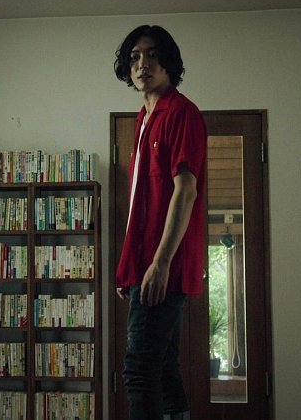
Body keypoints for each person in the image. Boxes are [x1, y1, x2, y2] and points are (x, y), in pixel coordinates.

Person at [113, 25, 207, 420]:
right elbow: (142, 201)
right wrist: (129, 268)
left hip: (162, 264)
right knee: (164, 364)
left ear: (168, 61)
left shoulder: (181, 113)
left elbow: (186, 191)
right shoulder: (142, 119)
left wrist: (160, 262)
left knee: (139, 369)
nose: (142, 64)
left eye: (152, 55)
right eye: (135, 56)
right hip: (145, 265)